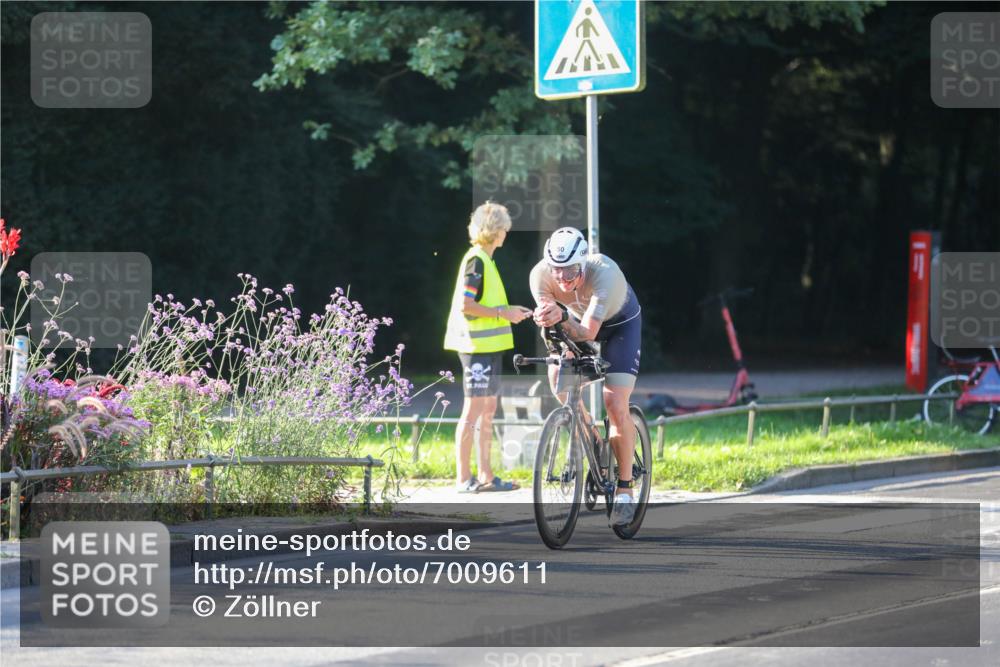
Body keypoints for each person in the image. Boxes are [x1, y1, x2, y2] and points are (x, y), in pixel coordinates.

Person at [530, 227, 642, 525]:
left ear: (583, 263)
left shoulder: (604, 274)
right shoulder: (540, 276)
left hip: (619, 328)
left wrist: (563, 316)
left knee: (615, 403)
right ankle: (593, 437)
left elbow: (589, 332)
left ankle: (626, 490)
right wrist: (553, 333)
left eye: (570, 272)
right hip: (578, 323)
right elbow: (551, 327)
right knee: (559, 382)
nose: (563, 280)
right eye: (557, 272)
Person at [444, 202, 533, 493]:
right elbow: (467, 306)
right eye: (505, 227)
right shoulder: (477, 261)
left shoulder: (485, 260)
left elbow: (484, 304)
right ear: (496, 230)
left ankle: (486, 476)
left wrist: (508, 310)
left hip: (490, 349)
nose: (507, 232)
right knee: (473, 410)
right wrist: (503, 312)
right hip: (476, 349)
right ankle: (463, 479)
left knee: (488, 409)